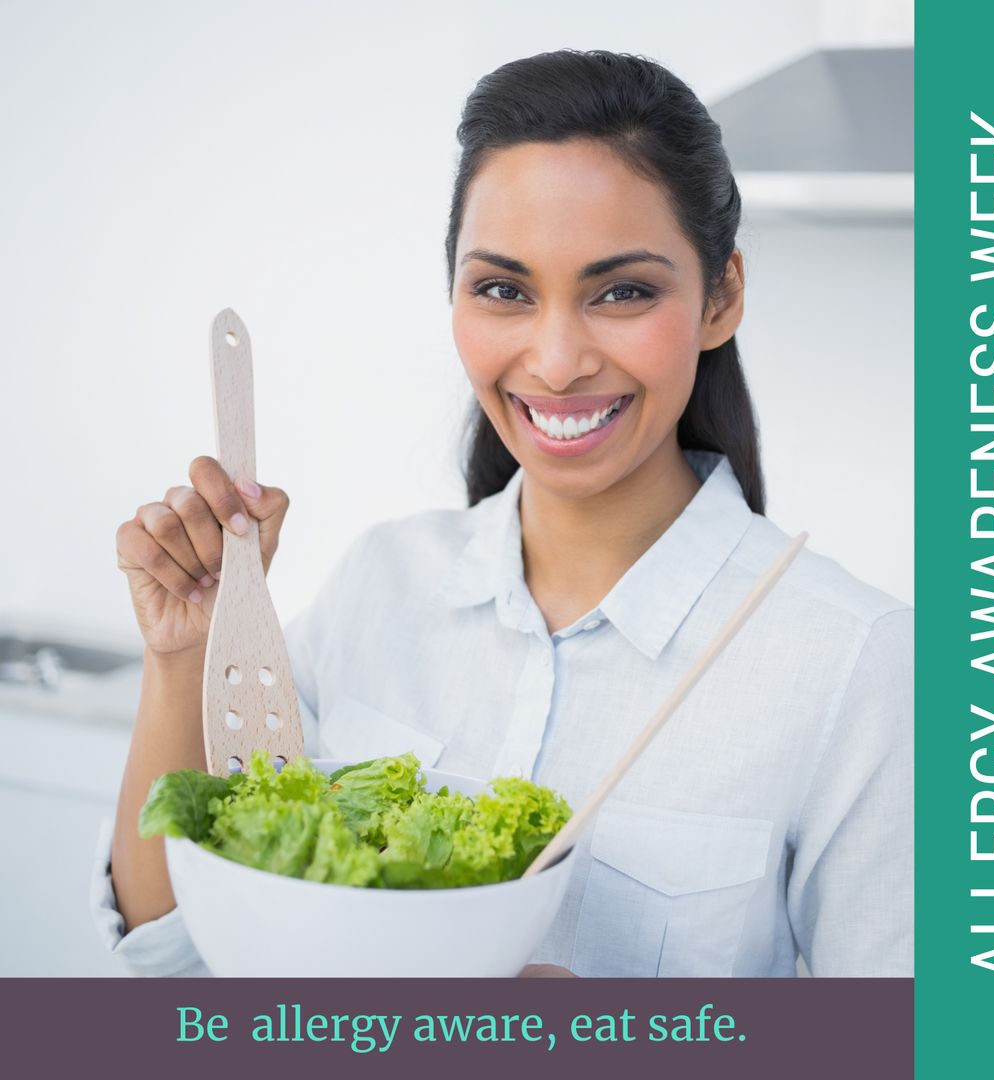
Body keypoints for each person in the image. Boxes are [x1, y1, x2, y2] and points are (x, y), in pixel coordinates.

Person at [91, 48, 913, 978]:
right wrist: (185, 657)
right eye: (504, 291)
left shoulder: (860, 663)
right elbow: (172, 960)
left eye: (623, 292)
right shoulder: (382, 583)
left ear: (720, 296)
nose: (557, 361)